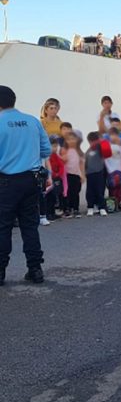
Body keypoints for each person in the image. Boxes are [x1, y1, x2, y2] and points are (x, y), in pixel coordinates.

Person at [0, 85, 51, 285]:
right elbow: (46, 150)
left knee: (3, 227)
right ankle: (35, 269)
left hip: (5, 182)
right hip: (31, 180)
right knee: (30, 225)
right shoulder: (32, 121)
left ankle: (1, 271)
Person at [84, 132, 108, 217]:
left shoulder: (100, 148)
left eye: (95, 141)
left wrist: (101, 140)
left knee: (100, 190)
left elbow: (106, 150)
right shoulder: (88, 151)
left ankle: (101, 207)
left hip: (99, 172)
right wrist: (84, 172)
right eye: (91, 141)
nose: (93, 143)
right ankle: (90, 206)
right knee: (90, 191)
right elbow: (85, 162)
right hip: (90, 174)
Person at [105, 128, 121, 211]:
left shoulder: (120, 148)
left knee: (119, 189)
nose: (114, 137)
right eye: (111, 135)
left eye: (115, 135)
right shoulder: (107, 147)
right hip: (111, 172)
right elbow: (106, 160)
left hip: (120, 171)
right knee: (112, 188)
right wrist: (109, 170)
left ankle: (118, 203)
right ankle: (112, 206)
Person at [62, 131, 84, 218]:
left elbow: (81, 163)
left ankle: (76, 208)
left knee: (76, 192)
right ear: (66, 141)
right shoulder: (64, 150)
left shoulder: (78, 151)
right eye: (69, 139)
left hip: (76, 174)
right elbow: (61, 161)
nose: (71, 141)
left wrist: (83, 175)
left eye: (73, 139)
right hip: (67, 175)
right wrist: (64, 158)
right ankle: (68, 208)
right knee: (68, 192)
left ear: (77, 140)